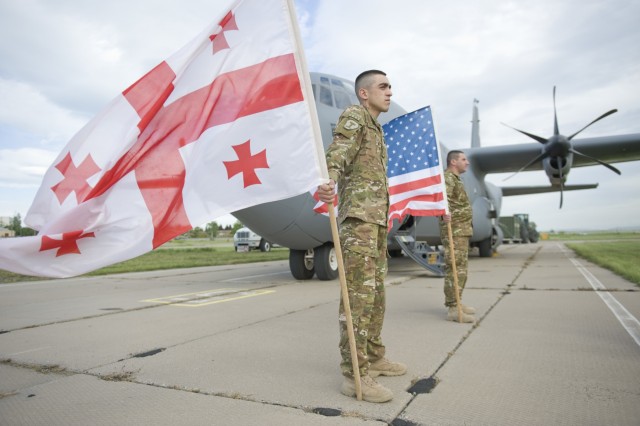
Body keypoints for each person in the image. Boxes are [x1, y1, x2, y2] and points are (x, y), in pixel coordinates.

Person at [316, 70, 406, 403]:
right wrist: (329, 180)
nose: (389, 91)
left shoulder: (377, 129)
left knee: (376, 297)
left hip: (376, 224)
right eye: (383, 86)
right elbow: (338, 152)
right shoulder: (355, 116)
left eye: (390, 86)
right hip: (358, 223)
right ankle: (354, 374)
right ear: (364, 93)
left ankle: (375, 357)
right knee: (358, 299)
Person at [439, 150, 476, 323]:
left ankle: (457, 302)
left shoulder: (455, 180)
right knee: (455, 268)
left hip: (461, 231)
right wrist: (442, 214)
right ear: (453, 162)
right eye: (463, 159)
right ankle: (453, 307)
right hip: (453, 231)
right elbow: (441, 200)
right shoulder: (448, 178)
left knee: (461, 270)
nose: (467, 162)